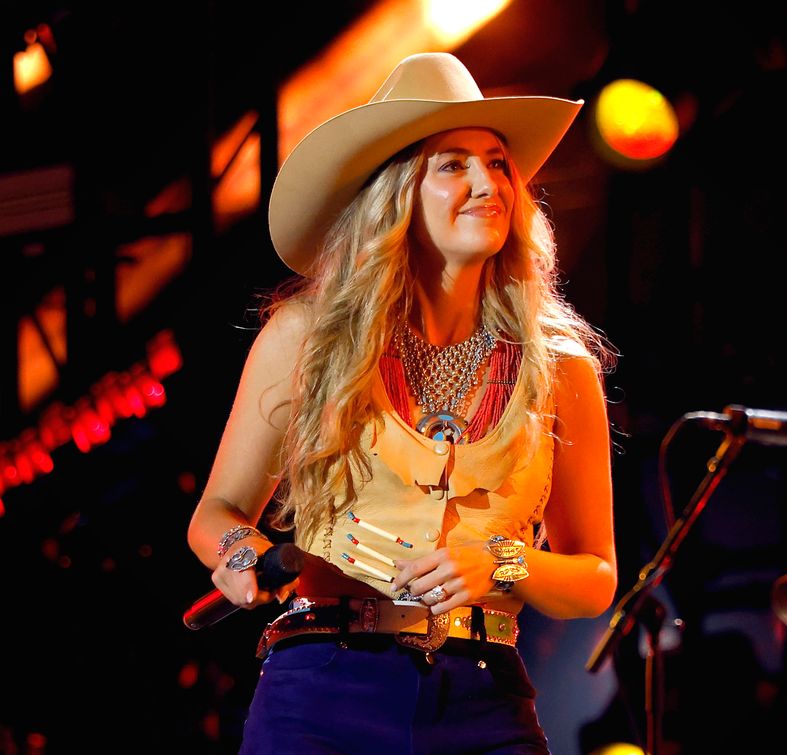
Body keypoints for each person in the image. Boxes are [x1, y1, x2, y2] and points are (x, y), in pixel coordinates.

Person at [187, 51, 617, 754]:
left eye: (499, 163)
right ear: (395, 194)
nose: (488, 184)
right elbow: (217, 513)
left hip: (484, 695)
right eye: (453, 164)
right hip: (322, 684)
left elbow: (595, 574)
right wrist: (243, 556)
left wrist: (503, 561)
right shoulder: (306, 337)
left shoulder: (562, 365)